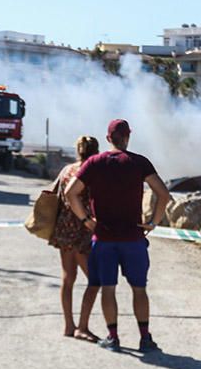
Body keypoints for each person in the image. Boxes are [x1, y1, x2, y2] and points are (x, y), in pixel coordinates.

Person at [65, 119, 171, 353]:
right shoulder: (139, 162)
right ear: (128, 137)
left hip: (103, 239)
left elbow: (70, 192)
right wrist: (153, 222)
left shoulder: (94, 163)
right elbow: (163, 194)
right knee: (139, 289)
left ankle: (113, 337)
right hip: (133, 238)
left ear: (108, 138)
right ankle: (145, 338)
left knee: (108, 288)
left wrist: (86, 220)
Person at [49, 135, 102, 341]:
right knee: (94, 280)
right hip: (83, 230)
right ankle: (83, 326)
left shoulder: (66, 170)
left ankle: (69, 325)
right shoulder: (93, 173)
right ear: (95, 152)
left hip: (63, 229)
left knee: (68, 278)